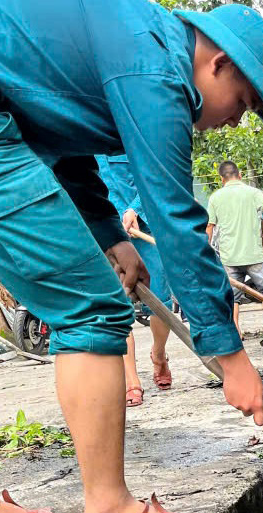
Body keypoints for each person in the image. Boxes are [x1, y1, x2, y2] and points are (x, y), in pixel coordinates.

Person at [0, 1, 263, 513]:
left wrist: (111, 237)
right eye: (243, 102)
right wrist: (231, 359)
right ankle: (112, 511)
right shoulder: (154, 69)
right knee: (92, 306)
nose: (235, 120)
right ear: (217, 63)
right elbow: (176, 221)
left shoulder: (132, 42)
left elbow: (61, 144)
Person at [97, 155, 175, 407]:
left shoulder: (130, 132)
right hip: (105, 232)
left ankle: (159, 354)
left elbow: (155, 173)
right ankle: (131, 380)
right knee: (118, 304)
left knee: (160, 303)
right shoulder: (81, 140)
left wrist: (135, 209)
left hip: (144, 228)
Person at [206, 161, 263, 338]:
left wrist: (206, 250)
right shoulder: (252, 192)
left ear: (221, 178)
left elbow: (209, 226)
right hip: (253, 254)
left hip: (228, 255)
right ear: (239, 175)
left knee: (232, 295)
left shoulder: (216, 197)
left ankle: (236, 330)